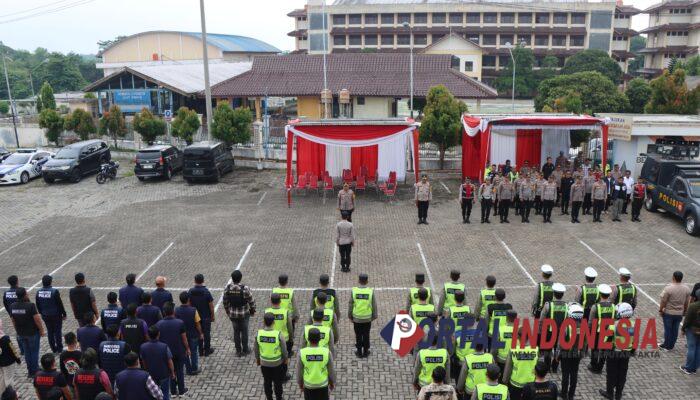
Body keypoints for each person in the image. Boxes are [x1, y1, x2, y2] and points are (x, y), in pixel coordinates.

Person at [599, 303, 635, 400]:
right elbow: (635, 341)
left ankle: (610, 393)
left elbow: (606, 341)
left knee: (611, 373)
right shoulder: (634, 325)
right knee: (622, 373)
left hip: (614, 353)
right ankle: (618, 394)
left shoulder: (613, 326)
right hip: (626, 353)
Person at [9, 287, 44, 376]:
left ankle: (30, 370)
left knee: (27, 352)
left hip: (21, 333)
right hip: (32, 333)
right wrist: (42, 330)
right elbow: (37, 319)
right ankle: (35, 370)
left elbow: (13, 320)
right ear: (25, 295)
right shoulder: (30, 305)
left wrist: (17, 330)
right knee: (34, 352)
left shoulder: (12, 306)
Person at [155, 303, 189, 396]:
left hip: (166, 352)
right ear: (173, 311)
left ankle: (173, 390)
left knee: (170, 371)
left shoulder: (158, 324)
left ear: (164, 312)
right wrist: (187, 348)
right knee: (180, 371)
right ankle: (182, 389)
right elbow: (184, 338)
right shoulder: (180, 323)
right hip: (179, 351)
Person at [255, 312, 289, 400]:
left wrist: (258, 359)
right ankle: (279, 398)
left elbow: (256, 349)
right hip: (277, 363)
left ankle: (269, 397)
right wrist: (286, 359)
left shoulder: (259, 334)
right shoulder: (278, 334)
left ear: (264, 322)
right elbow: (284, 350)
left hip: (264, 363)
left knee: (267, 381)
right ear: (274, 322)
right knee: (278, 382)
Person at [222, 270, 256, 357]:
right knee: (244, 332)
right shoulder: (245, 289)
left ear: (232, 278)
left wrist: (228, 311)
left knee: (236, 332)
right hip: (244, 314)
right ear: (240, 278)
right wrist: (252, 310)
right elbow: (251, 301)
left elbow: (225, 302)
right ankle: (245, 349)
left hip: (233, 315)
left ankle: (238, 350)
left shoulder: (227, 288)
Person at [297, 328, 335, 400]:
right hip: (323, 384)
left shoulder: (302, 352)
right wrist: (332, 382)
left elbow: (299, 371)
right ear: (319, 339)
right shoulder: (326, 352)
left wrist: (300, 383)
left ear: (308, 339)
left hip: (308, 385)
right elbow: (331, 370)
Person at [659, 271, 691, 351]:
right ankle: (671, 345)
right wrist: (685, 311)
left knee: (668, 329)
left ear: (673, 277)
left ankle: (667, 345)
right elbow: (687, 302)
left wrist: (661, 310)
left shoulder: (668, 288)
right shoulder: (686, 289)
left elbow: (663, 301)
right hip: (679, 313)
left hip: (668, 313)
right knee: (675, 329)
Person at [139, 327, 174, 400]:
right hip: (164, 374)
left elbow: (143, 361)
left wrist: (146, 371)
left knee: (153, 394)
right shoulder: (164, 346)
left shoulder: (143, 347)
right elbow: (169, 361)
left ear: (148, 335)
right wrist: (172, 372)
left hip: (151, 375)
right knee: (165, 393)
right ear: (158, 334)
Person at [558, 303, 584, 400]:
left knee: (565, 374)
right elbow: (585, 343)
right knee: (574, 374)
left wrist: (557, 354)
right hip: (577, 354)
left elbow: (560, 343)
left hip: (565, 354)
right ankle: (571, 394)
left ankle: (564, 393)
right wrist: (582, 353)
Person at [539, 283, 567, 372]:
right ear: (562, 294)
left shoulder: (548, 305)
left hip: (549, 332)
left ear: (554, 294)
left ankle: (547, 366)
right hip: (561, 332)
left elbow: (541, 319)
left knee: (548, 349)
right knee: (558, 349)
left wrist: (540, 331)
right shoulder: (567, 306)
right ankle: (555, 366)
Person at [36, 275, 67, 353]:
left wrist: (41, 313)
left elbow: (38, 304)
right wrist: (64, 313)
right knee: (57, 331)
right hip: (56, 315)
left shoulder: (38, 292)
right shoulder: (54, 291)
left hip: (45, 315)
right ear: (50, 282)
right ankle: (60, 348)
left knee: (50, 331)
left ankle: (53, 348)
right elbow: (59, 304)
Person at [348, 273, 377, 358]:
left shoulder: (354, 290)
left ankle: (359, 352)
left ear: (358, 281)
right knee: (366, 334)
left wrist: (350, 316)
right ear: (367, 281)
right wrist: (374, 316)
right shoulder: (370, 291)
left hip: (357, 318)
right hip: (367, 317)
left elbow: (350, 304)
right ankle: (366, 351)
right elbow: (374, 304)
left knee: (358, 334)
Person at [588, 284, 615, 374]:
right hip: (608, 331)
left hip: (597, 331)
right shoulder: (613, 306)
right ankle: (600, 367)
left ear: (600, 294)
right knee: (604, 350)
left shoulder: (596, 306)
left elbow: (591, 322)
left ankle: (593, 365)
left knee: (594, 349)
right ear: (609, 295)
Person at [175, 292, 203, 376]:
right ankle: (194, 368)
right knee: (194, 352)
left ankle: (188, 368)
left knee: (185, 352)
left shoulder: (176, 310)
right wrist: (200, 333)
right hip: (193, 335)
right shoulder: (193, 310)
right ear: (188, 300)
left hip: (182, 336)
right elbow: (197, 324)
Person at [266, 293, 293, 381]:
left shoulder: (267, 312)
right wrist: (291, 337)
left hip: (273, 338)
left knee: (275, 356)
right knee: (285, 358)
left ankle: (275, 374)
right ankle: (284, 375)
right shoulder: (285, 312)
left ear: (271, 301)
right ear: (280, 301)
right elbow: (290, 326)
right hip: (284, 338)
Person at [188, 274, 215, 356]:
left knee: (198, 333)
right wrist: (212, 315)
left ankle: (200, 350)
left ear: (195, 281)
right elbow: (211, 306)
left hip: (196, 317)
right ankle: (207, 350)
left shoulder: (190, 291)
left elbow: (189, 304)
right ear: (203, 281)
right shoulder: (206, 292)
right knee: (207, 334)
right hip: (206, 316)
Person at [272, 274, 298, 343]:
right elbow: (294, 306)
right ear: (287, 282)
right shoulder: (290, 291)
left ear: (278, 281)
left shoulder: (274, 291)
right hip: (288, 316)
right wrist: (296, 316)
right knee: (290, 331)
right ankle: (289, 344)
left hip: (277, 314)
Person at [3, 276, 25, 356]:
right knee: (25, 332)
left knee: (18, 331)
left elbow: (5, 304)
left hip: (14, 315)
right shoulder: (21, 291)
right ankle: (25, 348)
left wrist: (10, 313)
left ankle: (22, 350)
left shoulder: (6, 293)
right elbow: (27, 301)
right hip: (23, 314)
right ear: (17, 281)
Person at [680, 288, 700, 374]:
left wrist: (683, 329)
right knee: (698, 348)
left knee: (691, 348)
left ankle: (688, 368)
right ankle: (695, 367)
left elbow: (687, 320)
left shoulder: (693, 306)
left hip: (693, 330)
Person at [0, 319, 20, 394]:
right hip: (8, 362)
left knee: (2, 377)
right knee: (9, 378)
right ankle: (11, 394)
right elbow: (13, 349)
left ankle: (1, 392)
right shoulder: (5, 338)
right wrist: (17, 359)